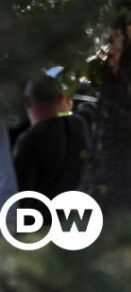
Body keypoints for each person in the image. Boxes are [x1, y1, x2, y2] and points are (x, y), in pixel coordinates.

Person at [13, 75, 89, 221]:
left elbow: (21, 197)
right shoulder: (78, 125)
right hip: (77, 220)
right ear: (61, 97)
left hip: (41, 227)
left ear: (27, 101)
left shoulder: (29, 140)